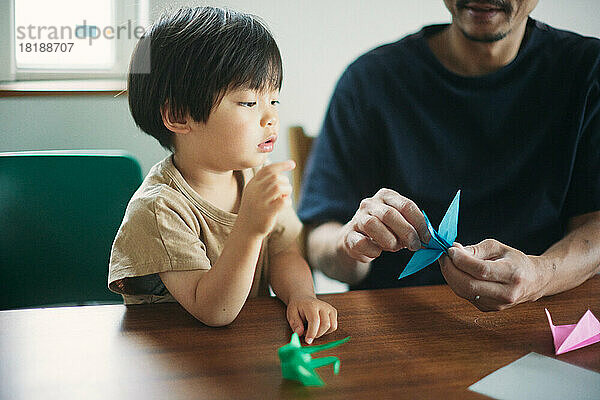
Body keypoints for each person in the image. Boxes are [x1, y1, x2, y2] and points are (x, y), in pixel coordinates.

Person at [298, 0, 600, 311]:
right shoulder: (369, 81)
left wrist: (540, 275)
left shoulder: (589, 70)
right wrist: (351, 244)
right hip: (398, 325)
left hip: (548, 320)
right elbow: (318, 238)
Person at [109, 6, 337, 344]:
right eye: (248, 103)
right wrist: (250, 225)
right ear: (179, 116)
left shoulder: (254, 175)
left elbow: (284, 249)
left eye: (273, 99)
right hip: (180, 358)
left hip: (241, 346)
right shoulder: (159, 208)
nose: (270, 117)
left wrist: (302, 296)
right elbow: (214, 310)